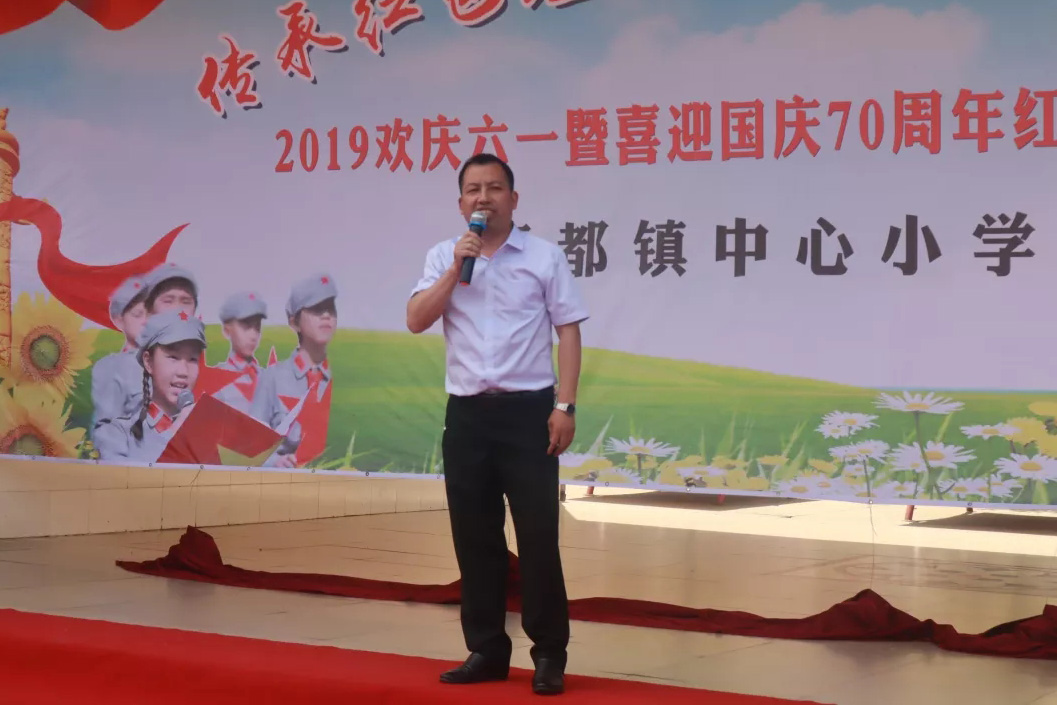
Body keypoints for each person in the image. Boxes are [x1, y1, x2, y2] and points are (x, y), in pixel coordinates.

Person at [407, 153, 588, 696]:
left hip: (528, 413)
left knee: (538, 536)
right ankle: (486, 649)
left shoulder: (543, 256)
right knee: (475, 536)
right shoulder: (445, 255)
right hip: (467, 415)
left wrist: (565, 405)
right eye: (472, 189)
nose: (482, 197)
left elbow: (569, 330)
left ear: (513, 198)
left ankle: (549, 653)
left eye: (493, 188)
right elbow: (416, 319)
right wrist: (453, 270)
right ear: (461, 202)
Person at [93, 310, 206, 462]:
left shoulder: (206, 436)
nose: (183, 372)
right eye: (173, 357)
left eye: (192, 359)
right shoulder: (116, 434)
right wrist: (175, 432)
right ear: (148, 362)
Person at [250, 273, 337, 467]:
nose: (326, 315)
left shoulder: (342, 379)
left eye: (331, 309)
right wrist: (275, 463)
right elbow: (250, 445)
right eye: (316, 309)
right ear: (294, 322)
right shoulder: (272, 378)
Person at [91, 274, 149, 431]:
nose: (146, 321)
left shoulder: (170, 361)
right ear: (119, 320)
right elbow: (107, 427)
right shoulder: (110, 367)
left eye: (152, 314)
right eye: (138, 314)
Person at [212, 291, 267, 414]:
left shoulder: (267, 377)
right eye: (246, 326)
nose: (253, 336)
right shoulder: (216, 379)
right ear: (227, 330)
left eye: (257, 327)